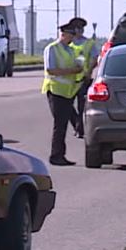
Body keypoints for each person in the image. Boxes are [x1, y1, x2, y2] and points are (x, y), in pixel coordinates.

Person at [43, 21, 86, 166]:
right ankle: (56, 156)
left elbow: (80, 64)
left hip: (68, 92)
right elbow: (51, 69)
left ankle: (61, 155)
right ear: (64, 34)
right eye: (71, 34)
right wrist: (72, 71)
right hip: (55, 91)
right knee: (59, 125)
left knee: (63, 126)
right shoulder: (52, 48)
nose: (73, 37)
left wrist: (81, 58)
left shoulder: (72, 49)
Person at [67, 17, 99, 139]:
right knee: (67, 106)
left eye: (82, 28)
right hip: (68, 79)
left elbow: (95, 59)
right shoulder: (67, 43)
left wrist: (89, 71)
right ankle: (77, 125)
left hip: (83, 79)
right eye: (77, 28)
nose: (80, 31)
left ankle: (80, 129)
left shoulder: (89, 43)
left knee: (82, 107)